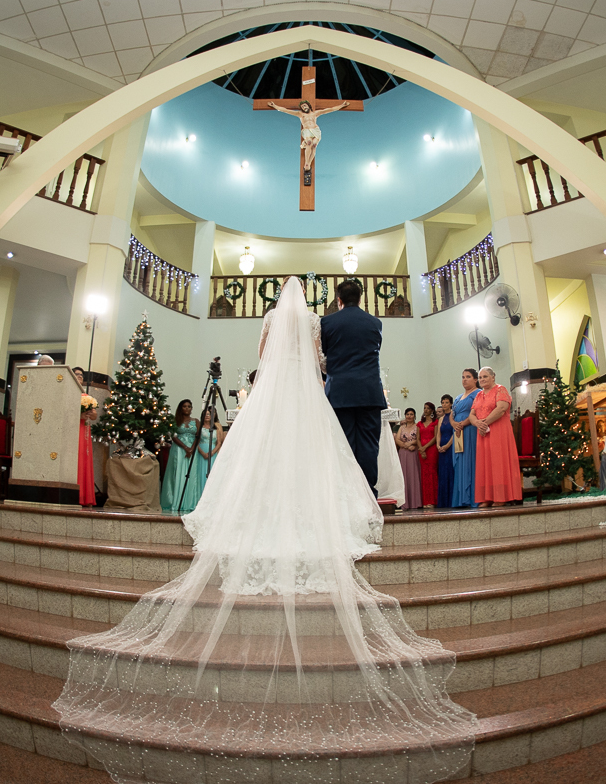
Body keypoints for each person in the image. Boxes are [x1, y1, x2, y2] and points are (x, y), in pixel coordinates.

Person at [54, 278, 476, 783]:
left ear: (277, 303)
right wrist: (314, 366)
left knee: (263, 453)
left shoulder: (273, 321)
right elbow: (320, 359)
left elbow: (264, 352)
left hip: (273, 386)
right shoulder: (317, 323)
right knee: (318, 450)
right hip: (308, 391)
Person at [321, 279, 387, 496]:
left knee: (343, 444)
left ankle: (347, 495)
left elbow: (325, 355)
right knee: (369, 445)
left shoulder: (327, 323)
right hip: (369, 392)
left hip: (340, 393)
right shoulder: (375, 323)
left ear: (339, 300)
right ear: (360, 299)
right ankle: (368, 493)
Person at [470, 366, 522, 506]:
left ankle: (501, 497)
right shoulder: (479, 395)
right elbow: (471, 415)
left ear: (493, 377)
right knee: (485, 464)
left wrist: (484, 423)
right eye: (480, 377)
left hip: (498, 431)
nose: (482, 379)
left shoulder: (500, 389)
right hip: (483, 433)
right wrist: (478, 424)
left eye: (485, 376)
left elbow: (501, 409)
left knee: (498, 462)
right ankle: (487, 497)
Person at [267, 99, 350, 180]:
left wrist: (342, 105)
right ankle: (307, 163)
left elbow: (329, 110)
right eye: (302, 107)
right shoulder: (300, 114)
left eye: (305, 105)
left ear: (308, 106)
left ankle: (308, 164)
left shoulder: (315, 113)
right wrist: (274, 106)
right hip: (306, 130)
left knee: (314, 145)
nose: (304, 107)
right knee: (309, 143)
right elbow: (286, 110)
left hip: (315, 130)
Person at [159, 399, 200, 512]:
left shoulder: (196, 421)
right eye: (184, 406)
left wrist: (191, 448)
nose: (187, 408)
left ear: (192, 408)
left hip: (192, 450)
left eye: (189, 406)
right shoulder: (175, 420)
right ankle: (175, 501)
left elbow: (198, 436)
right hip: (178, 450)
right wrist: (185, 448)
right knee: (177, 474)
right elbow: (173, 436)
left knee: (191, 474)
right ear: (180, 408)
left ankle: (189, 502)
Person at [450, 369, 480, 508]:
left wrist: (462, 424)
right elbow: (452, 414)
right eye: (463, 377)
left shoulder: (478, 394)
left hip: (470, 430)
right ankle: (460, 499)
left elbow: (477, 412)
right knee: (459, 462)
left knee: (470, 461)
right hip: (458, 432)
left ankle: (472, 497)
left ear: (475, 380)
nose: (464, 379)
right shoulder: (458, 397)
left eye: (468, 377)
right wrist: (455, 424)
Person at [74, 366, 98, 508]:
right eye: (76, 374)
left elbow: (94, 415)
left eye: (82, 375)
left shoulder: (86, 396)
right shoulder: (68, 393)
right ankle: (75, 495)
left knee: (85, 459)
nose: (79, 377)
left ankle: (86, 496)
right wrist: (79, 415)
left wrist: (88, 414)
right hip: (74, 431)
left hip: (85, 432)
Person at [395, 407, 422, 511]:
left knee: (413, 476)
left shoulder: (417, 426)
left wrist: (412, 444)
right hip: (403, 453)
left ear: (414, 416)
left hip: (413, 453)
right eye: (407, 414)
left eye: (411, 414)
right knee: (404, 476)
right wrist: (405, 445)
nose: (409, 416)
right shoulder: (401, 427)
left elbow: (418, 438)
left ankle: (415, 502)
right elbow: (397, 439)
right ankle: (405, 503)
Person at [417, 401, 439, 508]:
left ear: (432, 410)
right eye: (424, 408)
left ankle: (433, 501)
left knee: (432, 474)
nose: (425, 410)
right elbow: (417, 438)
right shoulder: (419, 424)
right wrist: (421, 449)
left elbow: (435, 437)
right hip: (421, 450)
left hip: (431, 449)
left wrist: (425, 448)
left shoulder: (435, 422)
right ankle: (425, 501)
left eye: (428, 408)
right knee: (424, 475)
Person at [436, 395, 456, 508]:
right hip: (442, 449)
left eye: (446, 402)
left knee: (450, 472)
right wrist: (438, 445)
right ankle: (443, 501)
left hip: (450, 447)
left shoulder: (454, 416)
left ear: (451, 404)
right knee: (443, 474)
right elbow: (439, 433)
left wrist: (447, 445)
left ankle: (451, 500)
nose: (444, 404)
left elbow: (454, 432)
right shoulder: (441, 419)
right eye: (442, 402)